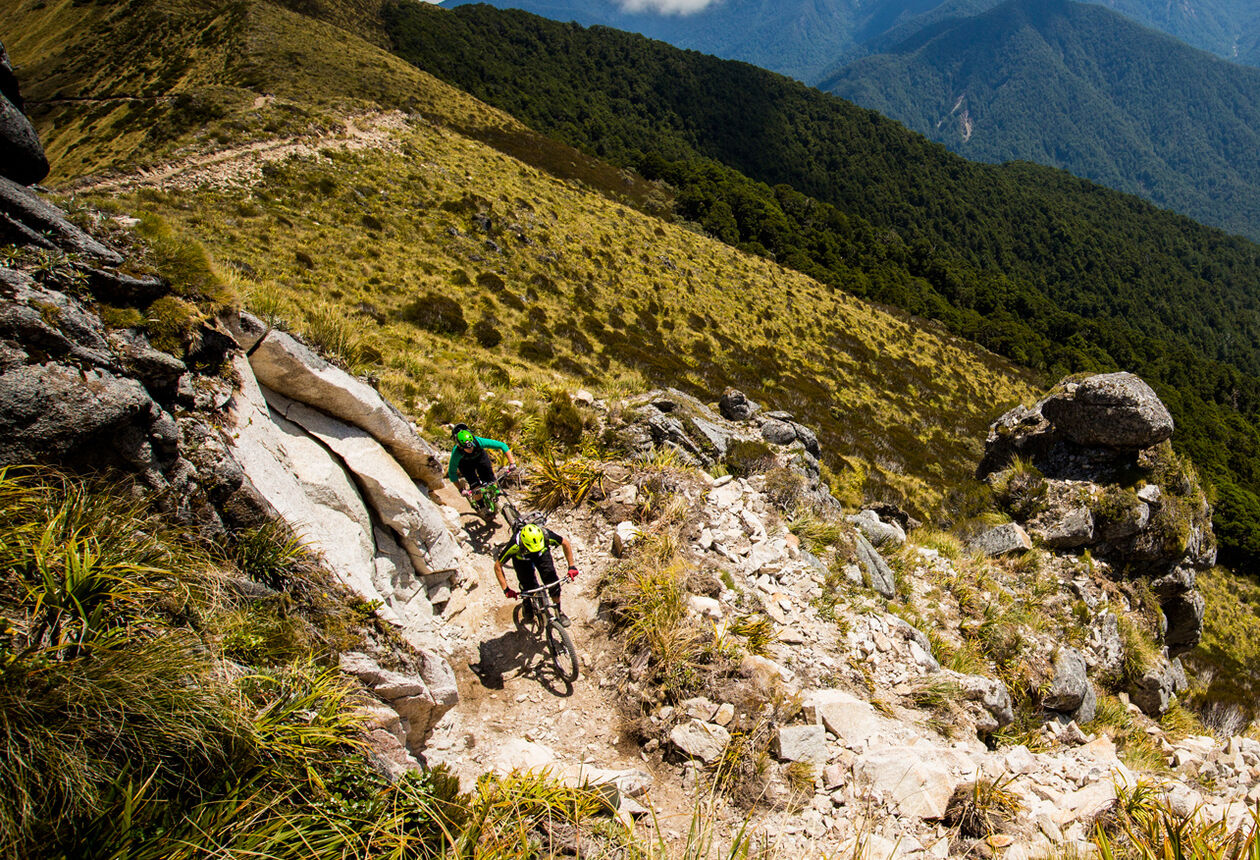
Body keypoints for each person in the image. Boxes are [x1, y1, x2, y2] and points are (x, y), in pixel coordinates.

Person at [495, 522, 579, 627]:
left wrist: (571, 566)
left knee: (553, 583)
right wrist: (506, 589)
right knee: (528, 585)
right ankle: (527, 600)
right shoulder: (514, 545)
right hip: (522, 560)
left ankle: (559, 611)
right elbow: (498, 566)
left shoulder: (546, 535)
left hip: (542, 554)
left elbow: (565, 543)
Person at [447, 423, 516, 499]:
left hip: (480, 459)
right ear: (459, 446)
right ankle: (481, 506)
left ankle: (493, 496)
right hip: (465, 465)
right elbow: (452, 473)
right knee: (476, 488)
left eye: (471, 446)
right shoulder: (456, 453)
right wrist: (460, 489)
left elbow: (502, 445)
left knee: (492, 482)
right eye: (467, 448)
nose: (470, 449)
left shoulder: (479, 441)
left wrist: (512, 463)